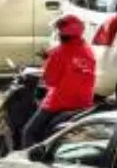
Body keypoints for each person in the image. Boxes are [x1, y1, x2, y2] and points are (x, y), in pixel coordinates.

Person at [23, 15, 95, 147]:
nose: (58, 33)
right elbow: (73, 58)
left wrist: (48, 63)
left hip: (59, 103)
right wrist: (49, 55)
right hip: (84, 103)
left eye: (60, 31)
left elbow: (50, 81)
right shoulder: (88, 50)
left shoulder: (59, 53)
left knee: (28, 132)